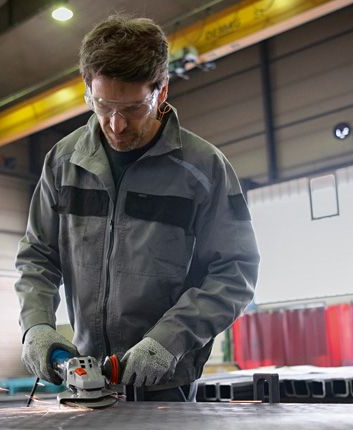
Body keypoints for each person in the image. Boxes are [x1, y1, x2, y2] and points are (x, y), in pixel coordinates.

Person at [15, 15, 259, 401]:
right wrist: (37, 327)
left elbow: (235, 272)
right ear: (87, 92)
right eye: (102, 105)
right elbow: (37, 257)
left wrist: (167, 342)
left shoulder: (203, 169)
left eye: (133, 109)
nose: (116, 125)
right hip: (86, 378)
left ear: (161, 92)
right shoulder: (63, 163)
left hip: (167, 384)